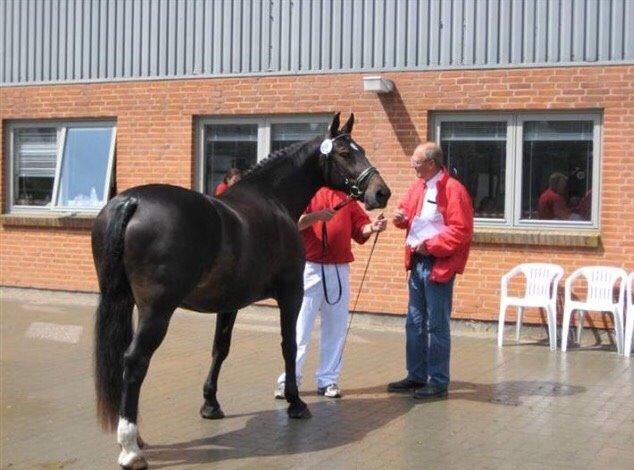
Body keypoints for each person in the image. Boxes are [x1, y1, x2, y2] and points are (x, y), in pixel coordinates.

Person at [274, 187, 387, 399]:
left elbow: (359, 228)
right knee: (300, 326)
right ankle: (289, 379)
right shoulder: (309, 192)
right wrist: (317, 216)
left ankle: (328, 380)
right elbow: (294, 223)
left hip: (339, 267)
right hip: (309, 266)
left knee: (336, 327)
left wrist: (373, 227)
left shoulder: (347, 197)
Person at [388, 142, 473, 399]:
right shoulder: (418, 186)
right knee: (414, 323)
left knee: (437, 325)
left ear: (431, 163)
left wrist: (432, 246)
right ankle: (416, 375)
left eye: (416, 162)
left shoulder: (454, 190)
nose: (413, 165)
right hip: (417, 261)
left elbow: (461, 231)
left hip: (438, 264)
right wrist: (400, 218)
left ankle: (437, 381)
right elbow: (407, 212)